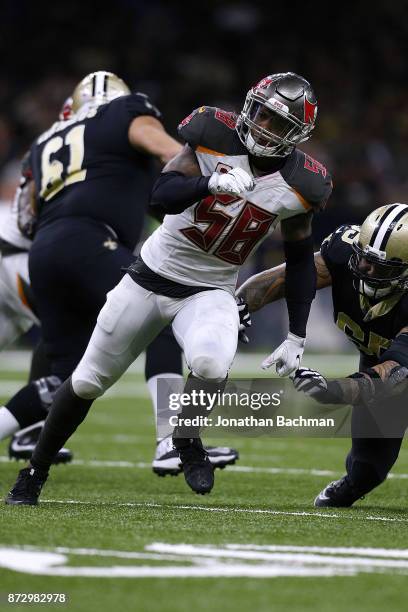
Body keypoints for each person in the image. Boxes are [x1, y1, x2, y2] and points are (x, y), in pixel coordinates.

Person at [5, 71, 332, 505]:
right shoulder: (213, 131)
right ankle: (34, 472)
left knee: (211, 363)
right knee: (85, 381)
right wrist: (207, 183)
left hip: (209, 289)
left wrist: (297, 333)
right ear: (249, 105)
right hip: (147, 277)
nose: (264, 129)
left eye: (278, 125)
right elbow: (160, 197)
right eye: (262, 116)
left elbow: (298, 261)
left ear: (298, 135)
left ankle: (185, 438)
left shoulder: (304, 184)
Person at [237, 203, 408, 507]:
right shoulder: (343, 255)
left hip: (394, 371)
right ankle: (353, 483)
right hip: (379, 364)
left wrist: (331, 389)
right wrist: (237, 307)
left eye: (380, 267)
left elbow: (393, 377)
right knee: (366, 469)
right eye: (363, 258)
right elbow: (292, 277)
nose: (365, 269)